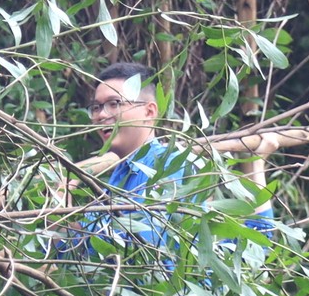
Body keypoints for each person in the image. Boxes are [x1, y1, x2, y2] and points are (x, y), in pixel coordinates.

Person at [66, 61, 275, 262]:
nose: (102, 115)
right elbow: (74, 251)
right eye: (96, 107)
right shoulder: (120, 175)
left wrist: (257, 164)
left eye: (114, 104)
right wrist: (61, 193)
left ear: (149, 111)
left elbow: (142, 251)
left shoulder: (168, 165)